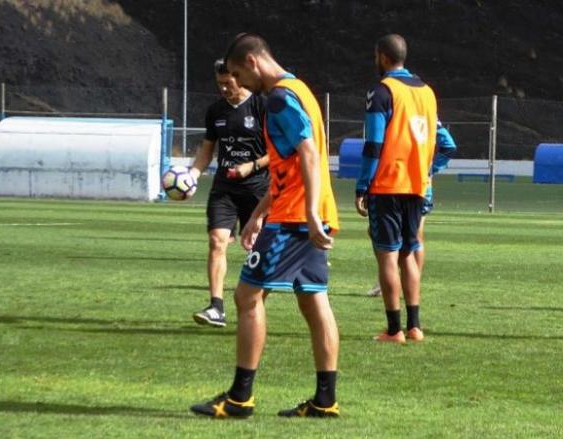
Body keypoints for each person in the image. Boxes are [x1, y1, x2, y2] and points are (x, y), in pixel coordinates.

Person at [190, 33, 341, 419]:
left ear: (253, 63)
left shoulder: (277, 98)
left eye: (240, 74)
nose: (239, 83)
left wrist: (305, 213)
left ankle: (240, 398)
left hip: (295, 218)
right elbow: (291, 164)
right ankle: (325, 401)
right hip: (310, 210)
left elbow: (308, 154)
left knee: (246, 298)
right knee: (314, 300)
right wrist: (258, 213)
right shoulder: (300, 89)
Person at [355, 34, 442, 344]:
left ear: (382, 57)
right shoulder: (428, 93)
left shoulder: (382, 91)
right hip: (418, 184)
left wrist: (363, 184)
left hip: (388, 183)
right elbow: (435, 139)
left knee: (387, 257)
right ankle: (415, 327)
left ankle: (394, 330)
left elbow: (375, 143)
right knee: (409, 253)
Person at [189, 59, 269, 328]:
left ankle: (253, 307)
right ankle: (216, 307)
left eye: (228, 83)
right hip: (224, 188)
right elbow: (207, 149)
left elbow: (279, 152)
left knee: (257, 250)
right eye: (219, 84)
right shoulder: (215, 111)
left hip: (257, 189)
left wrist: (252, 165)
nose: (223, 88)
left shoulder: (261, 106)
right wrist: (192, 176)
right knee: (217, 241)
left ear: (240, 77)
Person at [364, 122, 457, 300]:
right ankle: (394, 278)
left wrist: (429, 170)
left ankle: (407, 281)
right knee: (380, 233)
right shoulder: (396, 116)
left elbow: (449, 146)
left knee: (413, 236)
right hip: (397, 183)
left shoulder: (423, 114)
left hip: (415, 186)